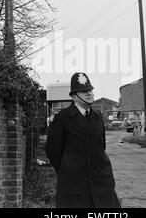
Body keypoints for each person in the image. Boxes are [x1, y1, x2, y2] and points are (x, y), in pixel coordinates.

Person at [45, 72, 121, 208]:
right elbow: (53, 151)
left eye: (90, 90)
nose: (90, 94)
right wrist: (67, 170)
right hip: (74, 186)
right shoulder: (62, 118)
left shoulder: (97, 117)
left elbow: (100, 147)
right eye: (84, 91)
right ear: (74, 96)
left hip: (101, 182)